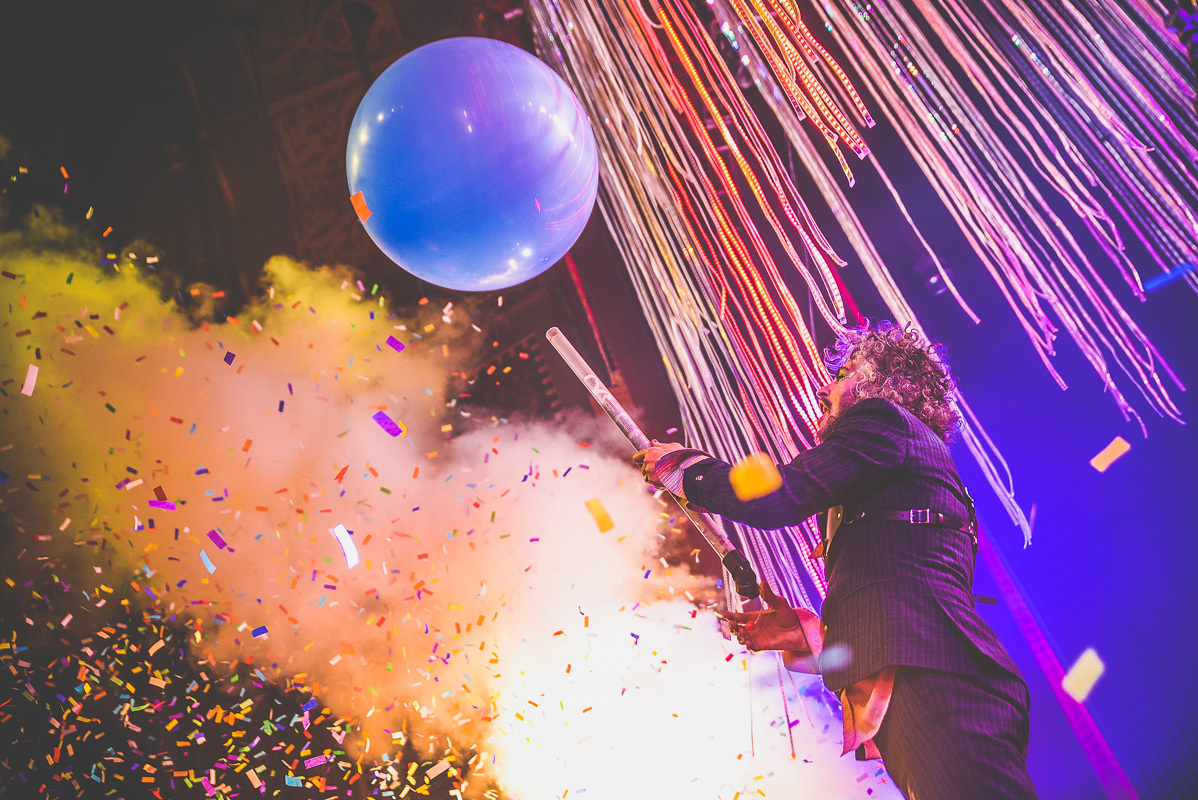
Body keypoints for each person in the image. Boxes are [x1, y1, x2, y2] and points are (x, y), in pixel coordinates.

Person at [634, 320, 1037, 800]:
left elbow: (776, 497)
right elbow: (900, 588)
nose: (825, 388)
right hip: (936, 675)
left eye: (843, 372)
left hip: (937, 676)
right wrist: (810, 634)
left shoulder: (883, 420)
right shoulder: (904, 464)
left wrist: (687, 469)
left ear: (877, 384)